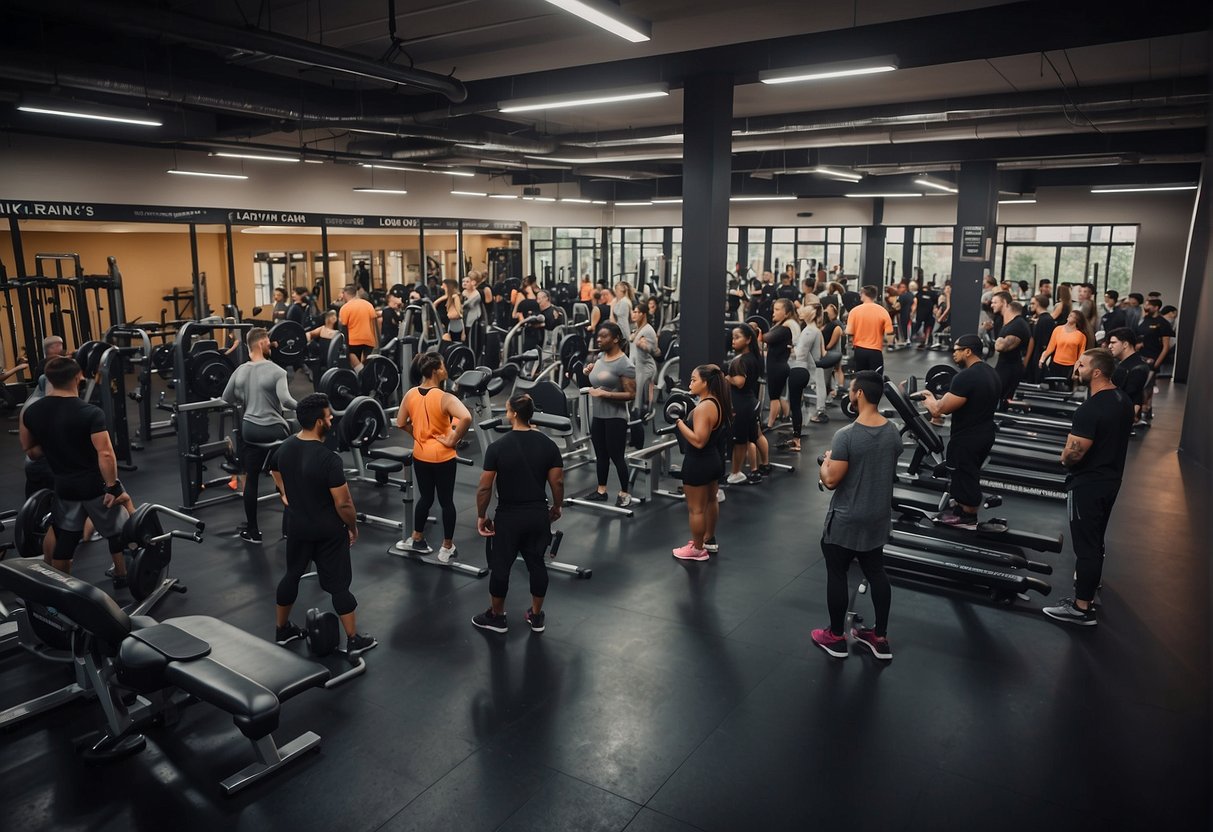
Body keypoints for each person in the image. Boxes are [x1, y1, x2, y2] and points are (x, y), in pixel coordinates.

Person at [267, 393, 375, 652]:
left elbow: (274, 469)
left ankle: (282, 630)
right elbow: (344, 503)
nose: (331, 420)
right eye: (328, 416)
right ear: (319, 422)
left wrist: (285, 494)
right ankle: (353, 640)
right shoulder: (329, 459)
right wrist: (352, 527)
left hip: (298, 527)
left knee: (291, 576)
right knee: (338, 585)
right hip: (328, 530)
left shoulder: (285, 448)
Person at [812, 371, 903, 660]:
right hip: (877, 517)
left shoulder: (846, 435)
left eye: (851, 390)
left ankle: (836, 637)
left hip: (847, 518)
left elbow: (830, 481)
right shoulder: (893, 432)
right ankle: (879, 637)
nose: (849, 395)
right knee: (876, 572)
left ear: (859, 394)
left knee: (837, 572)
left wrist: (826, 462)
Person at [19, 357, 133, 586]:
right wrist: (113, 486)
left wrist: (57, 440)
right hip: (94, 486)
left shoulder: (31, 412)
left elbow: (31, 451)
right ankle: (121, 574)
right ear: (78, 377)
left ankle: (63, 587)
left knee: (65, 540)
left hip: (63, 486)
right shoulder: (90, 412)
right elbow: (106, 453)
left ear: (48, 379)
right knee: (117, 530)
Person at [1043, 349, 1133, 626]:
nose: (1076, 368)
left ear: (1096, 372)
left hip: (1088, 484)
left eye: (1081, 365)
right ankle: (1090, 586)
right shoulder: (1123, 400)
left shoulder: (1090, 409)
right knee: (1096, 539)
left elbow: (1074, 453)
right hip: (1111, 480)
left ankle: (1082, 609)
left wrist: (1063, 458)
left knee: (1086, 546)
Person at [473, 393, 564, 633]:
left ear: (513, 414)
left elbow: (484, 487)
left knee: (501, 565)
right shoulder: (549, 445)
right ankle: (535, 616)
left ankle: (497, 617)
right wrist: (557, 506)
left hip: (509, 516)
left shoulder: (497, 447)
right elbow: (558, 482)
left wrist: (482, 515)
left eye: (506, 410)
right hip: (537, 514)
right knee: (537, 564)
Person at [222, 327, 298, 544]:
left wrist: (246, 398)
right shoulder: (277, 371)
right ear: (262, 343)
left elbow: (227, 398)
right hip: (275, 430)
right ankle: (288, 529)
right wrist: (309, 406)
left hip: (250, 431)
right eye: (268, 341)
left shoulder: (240, 371)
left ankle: (253, 532)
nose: (271, 344)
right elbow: (286, 401)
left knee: (251, 479)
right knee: (286, 477)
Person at [920, 335, 1002, 529]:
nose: (953, 352)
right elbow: (968, 399)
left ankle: (967, 517)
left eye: (957, 349)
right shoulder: (992, 373)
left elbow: (940, 409)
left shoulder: (965, 377)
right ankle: (961, 509)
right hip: (986, 432)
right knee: (969, 472)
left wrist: (929, 399)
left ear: (968, 351)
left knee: (964, 474)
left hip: (967, 436)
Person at [396, 353, 472, 561]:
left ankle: (417, 538)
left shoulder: (410, 394)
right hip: (442, 456)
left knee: (426, 498)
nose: (446, 368)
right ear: (436, 371)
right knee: (446, 501)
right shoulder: (445, 397)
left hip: (421, 455)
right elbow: (466, 417)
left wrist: (419, 435)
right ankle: (446, 547)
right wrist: (452, 439)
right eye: (444, 365)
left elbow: (400, 422)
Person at [671, 365, 731, 560]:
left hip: (699, 462)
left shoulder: (704, 407)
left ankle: (697, 549)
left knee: (696, 508)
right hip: (713, 459)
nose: (690, 383)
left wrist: (679, 423)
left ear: (706, 383)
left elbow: (698, 441)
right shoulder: (716, 402)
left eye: (694, 379)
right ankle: (708, 539)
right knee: (712, 500)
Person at [583, 322, 636, 507]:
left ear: (615, 339)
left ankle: (625, 493)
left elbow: (631, 394)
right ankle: (601, 490)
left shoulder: (625, 364)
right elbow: (599, 377)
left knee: (616, 456)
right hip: (598, 415)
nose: (599, 339)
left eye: (603, 336)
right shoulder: (600, 356)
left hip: (616, 418)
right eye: (598, 336)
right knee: (601, 454)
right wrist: (589, 371)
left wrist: (606, 394)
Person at [725, 324, 770, 484]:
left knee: (740, 441)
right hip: (750, 401)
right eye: (733, 337)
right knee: (755, 436)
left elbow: (739, 382)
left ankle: (736, 472)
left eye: (737, 337)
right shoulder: (754, 357)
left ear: (748, 339)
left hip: (742, 405)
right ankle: (763, 466)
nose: (733, 341)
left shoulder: (742, 361)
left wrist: (726, 378)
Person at [787, 300, 826, 452]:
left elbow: (800, 354)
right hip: (804, 370)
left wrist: (786, 349)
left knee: (795, 405)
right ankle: (797, 435)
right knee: (797, 404)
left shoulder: (810, 331)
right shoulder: (813, 330)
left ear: (811, 314)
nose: (801, 312)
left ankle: (796, 440)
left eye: (805, 310)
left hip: (800, 370)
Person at [763, 298, 800, 429]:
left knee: (774, 397)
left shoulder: (784, 329)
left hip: (778, 367)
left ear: (787, 313)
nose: (774, 312)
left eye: (777, 310)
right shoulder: (782, 326)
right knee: (779, 396)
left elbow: (765, 337)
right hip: (779, 365)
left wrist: (755, 331)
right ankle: (785, 417)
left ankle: (770, 424)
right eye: (774, 309)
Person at [1134, 297, 1172, 420]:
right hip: (1139, 358)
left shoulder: (1163, 323)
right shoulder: (1145, 319)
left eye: (1149, 305)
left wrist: (1156, 364)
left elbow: (1166, 347)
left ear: (1156, 307)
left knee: (1145, 387)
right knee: (1139, 386)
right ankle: (1141, 413)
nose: (1146, 307)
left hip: (1152, 359)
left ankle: (1141, 414)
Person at [990, 292, 1032, 406]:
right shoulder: (1009, 324)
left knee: (1000, 401)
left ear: (1005, 304)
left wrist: (998, 341)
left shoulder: (1018, 325)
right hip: (1004, 367)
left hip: (1010, 370)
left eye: (995, 302)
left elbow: (1000, 346)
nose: (991, 305)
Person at [845, 285, 893, 373]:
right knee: (876, 378)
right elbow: (889, 333)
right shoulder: (883, 311)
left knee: (860, 378)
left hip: (860, 350)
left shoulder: (854, 311)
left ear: (863, 294)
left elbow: (849, 332)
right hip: (875, 351)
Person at [1107, 327, 1150, 424]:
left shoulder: (1136, 368)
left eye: (1113, 343)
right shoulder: (1124, 364)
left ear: (1125, 344)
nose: (1109, 346)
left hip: (1117, 418)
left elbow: (1130, 398)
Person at [1039, 311, 1089, 384]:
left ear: (1077, 319)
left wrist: (1076, 371)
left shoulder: (1081, 336)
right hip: (1056, 364)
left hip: (1070, 366)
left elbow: (1081, 355)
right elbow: (1050, 347)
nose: (1069, 316)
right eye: (1069, 314)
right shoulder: (1058, 330)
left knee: (1067, 387)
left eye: (1072, 316)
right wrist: (1042, 359)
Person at [338, 284, 378, 370]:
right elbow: (375, 324)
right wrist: (377, 344)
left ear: (345, 294)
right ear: (356, 293)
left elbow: (343, 327)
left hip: (353, 342)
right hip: (369, 340)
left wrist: (343, 345)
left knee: (356, 366)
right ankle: (367, 377)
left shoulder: (345, 308)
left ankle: (360, 374)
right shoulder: (368, 305)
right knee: (367, 365)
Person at [629, 303, 659, 413]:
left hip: (645, 368)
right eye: (633, 311)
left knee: (639, 404)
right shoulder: (636, 328)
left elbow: (654, 349)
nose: (634, 314)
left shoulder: (648, 330)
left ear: (643, 314)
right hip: (636, 367)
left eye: (637, 312)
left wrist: (644, 346)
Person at [1025, 294, 1056, 383]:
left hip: (1039, 356)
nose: (1031, 306)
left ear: (1038, 304)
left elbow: (1041, 341)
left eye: (1033, 303)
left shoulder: (1045, 320)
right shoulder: (1044, 319)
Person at [436, 278, 465, 343]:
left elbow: (459, 313)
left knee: (454, 341)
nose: (441, 287)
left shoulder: (455, 297)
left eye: (443, 285)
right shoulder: (447, 297)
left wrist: (463, 332)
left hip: (456, 325)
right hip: (450, 324)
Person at [913, 282, 938, 348]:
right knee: (927, 328)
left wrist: (913, 312)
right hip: (928, 314)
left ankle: (919, 339)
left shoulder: (919, 294)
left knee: (918, 326)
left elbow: (915, 303)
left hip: (920, 314)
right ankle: (927, 340)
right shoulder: (933, 294)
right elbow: (936, 303)